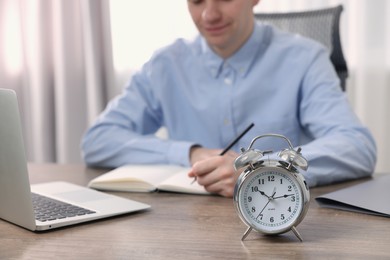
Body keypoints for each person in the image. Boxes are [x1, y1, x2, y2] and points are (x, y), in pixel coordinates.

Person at [81, 0, 377, 197]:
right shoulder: (165, 65)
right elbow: (98, 140)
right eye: (197, 0)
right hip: (185, 229)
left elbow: (356, 146)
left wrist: (260, 169)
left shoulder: (305, 59)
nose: (209, 14)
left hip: (277, 217)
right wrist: (190, 153)